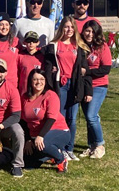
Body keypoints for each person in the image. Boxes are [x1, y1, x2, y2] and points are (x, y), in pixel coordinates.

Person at [45, 16, 93, 161]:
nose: (69, 30)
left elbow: (86, 71)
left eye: (72, 27)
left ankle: (70, 148)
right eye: (66, 27)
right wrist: (51, 75)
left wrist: (88, 91)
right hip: (61, 85)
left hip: (75, 85)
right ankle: (60, 148)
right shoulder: (54, 45)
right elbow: (47, 65)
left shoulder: (79, 47)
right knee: (60, 117)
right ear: (61, 28)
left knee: (72, 119)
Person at [20, 69, 70, 173]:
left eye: (42, 79)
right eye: (35, 79)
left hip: (58, 130)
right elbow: (23, 120)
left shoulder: (50, 95)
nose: (39, 82)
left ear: (46, 81)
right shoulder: (25, 97)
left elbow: (51, 118)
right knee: (28, 164)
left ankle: (61, 159)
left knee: (44, 144)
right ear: (30, 81)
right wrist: (28, 139)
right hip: (35, 135)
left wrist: (41, 136)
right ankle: (48, 154)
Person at [79, 20, 111, 159]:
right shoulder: (82, 46)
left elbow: (106, 69)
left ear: (97, 32)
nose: (89, 34)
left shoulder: (102, 47)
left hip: (99, 85)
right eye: (87, 30)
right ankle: (91, 145)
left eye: (92, 31)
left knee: (92, 116)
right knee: (88, 117)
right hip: (85, 86)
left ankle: (100, 145)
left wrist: (88, 72)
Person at [17, 31, 45, 96]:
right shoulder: (20, 56)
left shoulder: (42, 56)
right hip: (23, 91)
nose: (31, 43)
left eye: (34, 41)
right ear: (24, 42)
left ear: (38, 42)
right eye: (28, 40)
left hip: (38, 91)